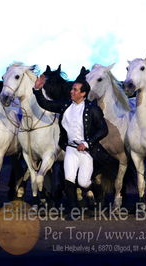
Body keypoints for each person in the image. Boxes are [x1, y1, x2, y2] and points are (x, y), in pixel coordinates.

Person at [33, 73, 108, 220]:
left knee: (83, 182)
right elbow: (46, 104)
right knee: (69, 180)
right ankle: (74, 210)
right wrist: (37, 91)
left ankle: (98, 194)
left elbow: (103, 130)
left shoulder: (92, 109)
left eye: (75, 90)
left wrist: (87, 143)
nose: (71, 91)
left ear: (83, 93)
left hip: (87, 152)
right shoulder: (66, 105)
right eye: (72, 89)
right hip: (71, 149)